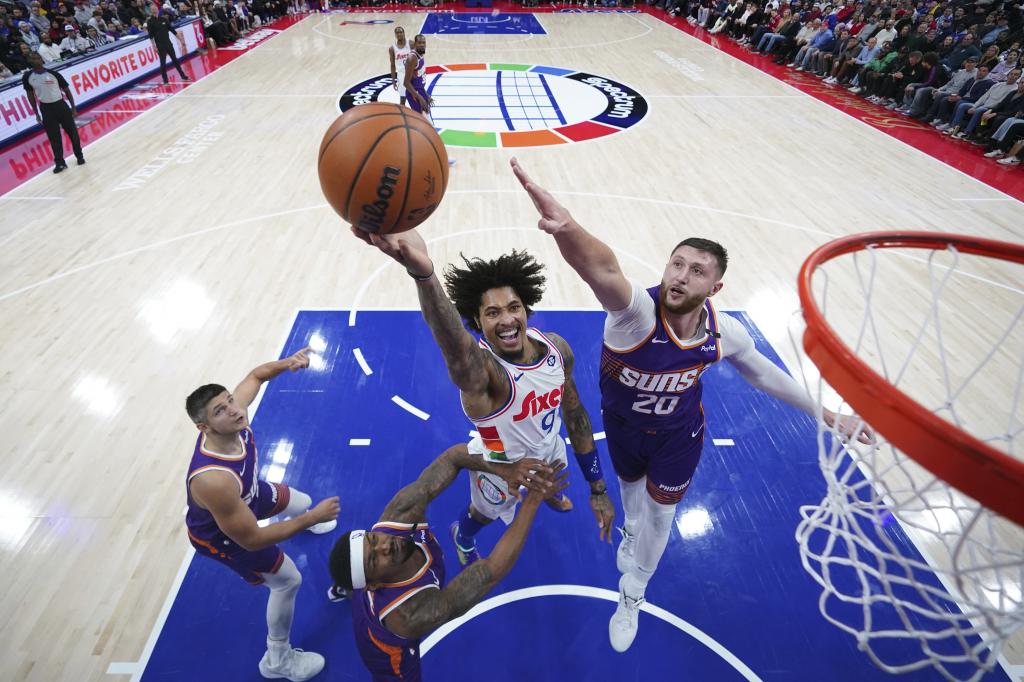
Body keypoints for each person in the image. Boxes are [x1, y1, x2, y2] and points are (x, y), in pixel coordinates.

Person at [509, 157, 872, 654]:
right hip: (622, 429)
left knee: (661, 518)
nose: (680, 276)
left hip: (680, 437)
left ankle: (633, 592)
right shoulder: (635, 315)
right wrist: (567, 229)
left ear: (715, 288)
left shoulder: (726, 333)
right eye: (676, 264)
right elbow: (603, 269)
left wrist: (827, 412)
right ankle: (630, 531)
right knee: (631, 502)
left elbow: (765, 372)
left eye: (696, 271)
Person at [351, 228, 615, 568]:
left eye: (513, 307)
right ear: (477, 320)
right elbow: (455, 348)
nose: (506, 320)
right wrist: (425, 276)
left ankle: (547, 491)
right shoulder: (485, 374)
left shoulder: (556, 348)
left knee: (554, 467)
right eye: (492, 313)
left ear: (526, 309)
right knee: (485, 513)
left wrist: (597, 488)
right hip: (499, 466)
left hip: (548, 447)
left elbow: (575, 415)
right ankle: (463, 533)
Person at [329, 445, 567, 681]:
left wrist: (503, 468)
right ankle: (351, 589)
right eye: (374, 558)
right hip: (382, 646)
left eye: (373, 539)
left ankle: (347, 586)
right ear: (374, 583)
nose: (384, 545)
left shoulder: (398, 516)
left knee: (355, 576)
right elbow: (491, 570)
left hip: (369, 586)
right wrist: (533, 500)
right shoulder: (410, 615)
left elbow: (453, 458)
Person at [184, 347, 340, 681]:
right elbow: (252, 539)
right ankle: (278, 660)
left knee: (302, 500)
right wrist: (310, 519)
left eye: (230, 400)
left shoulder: (235, 417)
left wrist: (288, 363)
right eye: (221, 410)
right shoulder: (214, 480)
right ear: (204, 427)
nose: (234, 410)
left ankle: (306, 518)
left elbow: (255, 375)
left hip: (249, 495)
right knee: (288, 581)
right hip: (223, 537)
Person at [22, 52, 83, 173]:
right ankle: (60, 163)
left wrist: (74, 108)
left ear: (41, 59)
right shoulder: (27, 77)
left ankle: (79, 156)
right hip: (46, 109)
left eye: (38, 58)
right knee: (54, 137)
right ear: (30, 61)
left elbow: (67, 90)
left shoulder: (54, 74)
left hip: (61, 105)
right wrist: (36, 113)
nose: (36, 60)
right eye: (33, 58)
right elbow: (30, 96)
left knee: (73, 133)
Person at [146, 4, 190, 84]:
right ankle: (165, 80)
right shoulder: (150, 22)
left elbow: (173, 31)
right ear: (150, 11)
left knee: (175, 61)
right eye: (152, 9)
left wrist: (181, 40)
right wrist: (154, 46)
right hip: (160, 46)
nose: (154, 10)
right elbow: (151, 36)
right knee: (163, 64)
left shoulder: (164, 19)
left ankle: (183, 76)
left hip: (168, 43)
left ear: (158, 9)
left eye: (155, 8)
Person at [388, 25, 411, 107]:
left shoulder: (410, 44)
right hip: (401, 74)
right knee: (403, 97)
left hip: (411, 72)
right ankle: (402, 113)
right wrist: (393, 80)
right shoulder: (392, 48)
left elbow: (417, 58)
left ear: (404, 33)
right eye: (397, 33)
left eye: (401, 32)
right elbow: (392, 65)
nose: (399, 34)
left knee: (416, 95)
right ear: (395, 35)